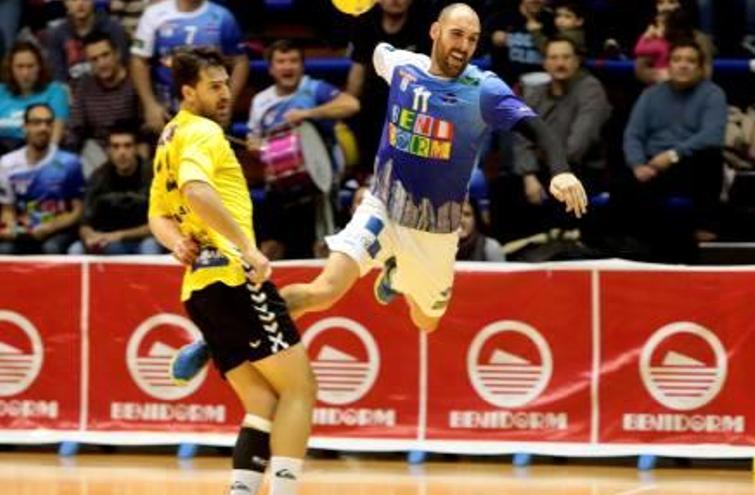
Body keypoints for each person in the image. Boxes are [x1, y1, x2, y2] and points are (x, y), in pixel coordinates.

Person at [170, 3, 587, 383]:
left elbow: (538, 128)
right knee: (323, 291)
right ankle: (213, 341)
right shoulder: (402, 64)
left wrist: (561, 172)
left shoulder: (484, 89)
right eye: (456, 34)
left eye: (472, 39)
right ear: (435, 31)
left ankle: (400, 275)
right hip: (383, 206)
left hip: (434, 231)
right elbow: (372, 46)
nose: (464, 46)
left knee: (426, 321)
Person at [148, 47, 314, 495]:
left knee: (262, 400)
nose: (225, 94)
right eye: (214, 87)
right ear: (188, 92)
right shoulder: (203, 132)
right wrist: (248, 248)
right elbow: (197, 190)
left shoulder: (170, 135)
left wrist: (176, 241)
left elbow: (158, 215)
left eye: (226, 84)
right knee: (300, 391)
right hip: (234, 275)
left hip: (200, 288)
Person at [248, 39, 360, 260]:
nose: (287, 67)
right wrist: (256, 146)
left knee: (323, 250)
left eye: (293, 61)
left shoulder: (314, 89)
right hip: (279, 186)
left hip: (320, 186)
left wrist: (309, 114)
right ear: (271, 68)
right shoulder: (260, 101)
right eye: (281, 61)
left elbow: (351, 104)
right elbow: (253, 139)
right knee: (270, 248)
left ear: (302, 65)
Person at [621, 39, 726, 254]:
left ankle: (705, 226)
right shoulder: (651, 95)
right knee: (622, 176)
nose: (683, 65)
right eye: (677, 60)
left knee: (711, 158)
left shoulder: (713, 94)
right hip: (651, 162)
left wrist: (672, 155)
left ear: (700, 68)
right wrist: (637, 164)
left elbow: (712, 135)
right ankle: (632, 241)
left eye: (690, 61)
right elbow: (633, 134)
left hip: (689, 162)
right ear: (668, 65)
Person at [514, 36, 610, 232]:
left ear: (576, 61)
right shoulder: (536, 92)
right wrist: (528, 175)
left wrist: (551, 168)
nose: (560, 63)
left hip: (580, 169)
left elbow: (578, 146)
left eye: (566, 57)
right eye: (554, 58)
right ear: (545, 63)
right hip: (539, 169)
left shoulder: (591, 89)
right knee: (504, 190)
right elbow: (522, 137)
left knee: (561, 202)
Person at [131, 0, 249, 133]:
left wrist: (227, 104)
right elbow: (139, 61)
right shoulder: (154, 14)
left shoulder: (222, 16)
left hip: (209, 112)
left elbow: (240, 62)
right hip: (166, 111)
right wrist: (150, 105)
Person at [346, 0, 429, 176]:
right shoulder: (364, 22)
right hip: (372, 104)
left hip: (411, 108)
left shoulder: (424, 23)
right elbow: (357, 73)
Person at [0, 104, 84, 254]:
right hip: (24, 230)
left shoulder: (70, 162)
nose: (43, 128)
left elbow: (77, 211)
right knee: (5, 250)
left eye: (48, 123)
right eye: (36, 123)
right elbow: (8, 209)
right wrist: (11, 228)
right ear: (25, 127)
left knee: (51, 248)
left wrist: (51, 227)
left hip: (58, 228)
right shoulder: (7, 163)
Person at [68, 125, 161, 254]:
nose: (121, 152)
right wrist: (90, 236)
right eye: (115, 146)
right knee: (75, 249)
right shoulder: (98, 177)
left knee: (149, 246)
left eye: (127, 146)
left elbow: (162, 224)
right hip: (108, 239)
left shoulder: (153, 175)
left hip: (142, 239)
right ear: (108, 150)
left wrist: (120, 235)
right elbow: (85, 223)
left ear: (136, 149)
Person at [66, 32, 141, 157]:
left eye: (105, 55)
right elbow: (76, 127)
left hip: (131, 145)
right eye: (94, 59)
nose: (101, 63)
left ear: (117, 54)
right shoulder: (85, 85)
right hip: (99, 148)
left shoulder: (136, 80)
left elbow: (145, 125)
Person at [0, 41, 69, 152]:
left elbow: (56, 132)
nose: (25, 73)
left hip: (34, 151)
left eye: (30, 66)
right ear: (11, 69)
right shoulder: (1, 91)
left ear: (39, 67)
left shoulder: (54, 92)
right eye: (20, 67)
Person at [45, 0, 129, 82]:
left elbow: (123, 65)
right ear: (65, 3)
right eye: (74, 0)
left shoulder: (113, 29)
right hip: (72, 92)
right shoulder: (56, 34)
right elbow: (59, 77)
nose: (80, 4)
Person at [634, 0, 714, 85]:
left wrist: (684, 75)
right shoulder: (653, 36)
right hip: (659, 91)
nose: (665, 7)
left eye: (672, 2)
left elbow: (706, 73)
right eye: (660, 3)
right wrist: (657, 75)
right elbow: (640, 70)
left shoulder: (700, 38)